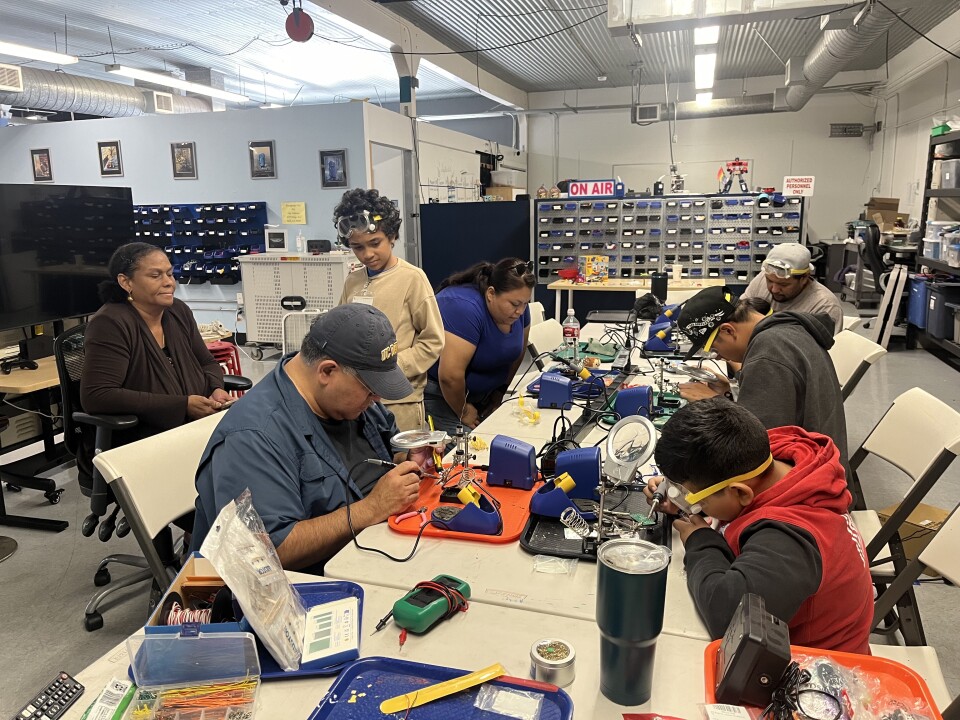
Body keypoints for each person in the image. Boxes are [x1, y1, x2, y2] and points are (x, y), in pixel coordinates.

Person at [191, 304, 430, 573]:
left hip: (376, 550)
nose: (377, 399)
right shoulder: (253, 437)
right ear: (327, 371)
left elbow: (388, 445)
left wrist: (406, 460)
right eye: (371, 389)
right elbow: (268, 553)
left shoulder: (349, 402)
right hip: (303, 590)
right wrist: (372, 508)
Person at [645, 398, 873, 654]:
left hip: (816, 672)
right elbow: (725, 501)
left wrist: (700, 539)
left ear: (740, 493)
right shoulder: (768, 456)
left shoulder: (789, 539)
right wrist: (684, 499)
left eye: (692, 496)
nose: (685, 498)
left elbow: (728, 618)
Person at [80, 242, 229, 468]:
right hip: (140, 441)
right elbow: (98, 395)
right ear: (125, 282)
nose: (169, 282)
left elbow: (206, 362)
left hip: (195, 429)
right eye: (155, 275)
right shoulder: (110, 324)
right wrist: (181, 406)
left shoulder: (178, 311)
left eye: (169, 273)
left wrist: (216, 388)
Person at [674, 285, 849, 477]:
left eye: (714, 349)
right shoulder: (785, 331)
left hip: (812, 484)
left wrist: (714, 403)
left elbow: (753, 445)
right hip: (819, 464)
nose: (718, 357)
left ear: (728, 331)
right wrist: (726, 394)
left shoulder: (768, 353)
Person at [335, 188, 444, 431]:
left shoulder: (412, 279)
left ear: (392, 236)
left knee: (401, 462)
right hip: (357, 398)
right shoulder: (353, 280)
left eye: (375, 243)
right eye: (357, 247)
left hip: (399, 402)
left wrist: (391, 369)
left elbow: (433, 341)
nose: (368, 254)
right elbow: (340, 332)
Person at [425, 257, 535, 433]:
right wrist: (464, 411)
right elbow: (449, 377)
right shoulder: (464, 308)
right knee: (470, 450)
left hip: (483, 393)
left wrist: (499, 392)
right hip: (442, 395)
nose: (520, 311)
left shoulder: (519, 308)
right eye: (515, 304)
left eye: (525, 304)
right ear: (491, 294)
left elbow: (517, 352)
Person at [741, 243, 843, 333]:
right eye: (770, 281)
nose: (774, 289)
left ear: (804, 278)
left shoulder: (825, 306)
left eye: (783, 284)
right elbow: (739, 312)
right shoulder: (763, 277)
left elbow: (825, 352)